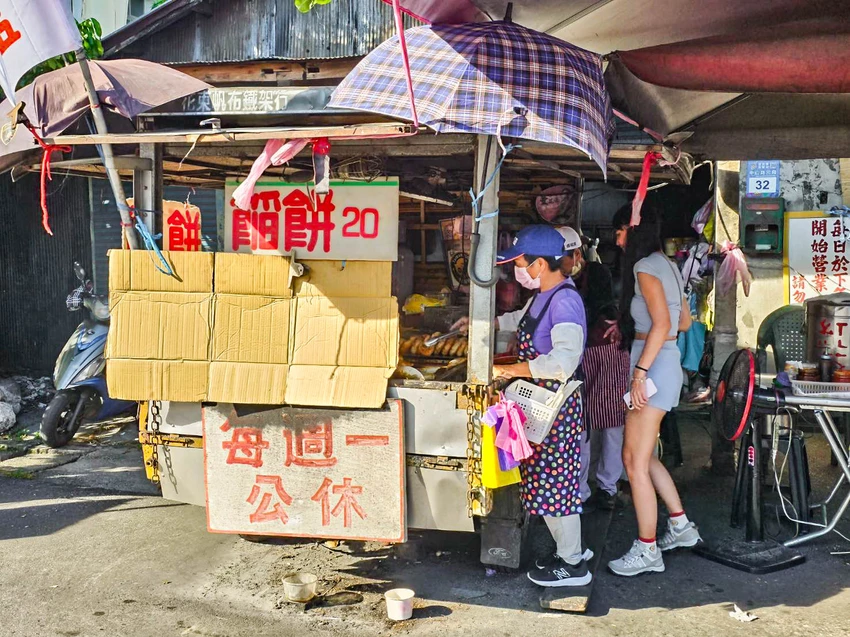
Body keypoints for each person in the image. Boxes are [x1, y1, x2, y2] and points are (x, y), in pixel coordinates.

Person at [454, 225, 590, 587]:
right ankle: (569, 549)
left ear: (541, 264)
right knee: (547, 484)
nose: (519, 270)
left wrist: (510, 369)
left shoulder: (565, 300)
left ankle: (574, 564)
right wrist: (487, 321)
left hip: (555, 409)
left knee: (557, 486)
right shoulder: (546, 294)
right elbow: (523, 320)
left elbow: (564, 361)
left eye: (521, 263)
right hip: (539, 407)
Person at [607, 209, 702, 577]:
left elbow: (664, 323)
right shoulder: (665, 263)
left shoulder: (644, 266)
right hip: (667, 360)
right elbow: (683, 321)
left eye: (619, 231)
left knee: (632, 461)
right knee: (644, 457)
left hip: (654, 366)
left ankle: (647, 550)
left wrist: (639, 373)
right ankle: (679, 526)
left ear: (634, 232)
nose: (617, 240)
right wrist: (635, 325)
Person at [558, 227, 630, 511]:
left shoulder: (597, 273)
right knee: (582, 422)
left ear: (577, 254)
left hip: (607, 351)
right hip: (581, 354)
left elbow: (595, 308)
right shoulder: (559, 279)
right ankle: (580, 488)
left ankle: (607, 487)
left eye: (563, 259)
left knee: (611, 422)